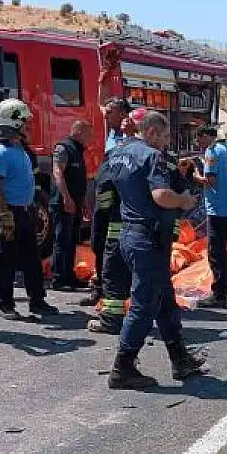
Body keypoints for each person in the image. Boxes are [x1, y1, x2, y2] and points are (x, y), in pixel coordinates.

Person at [107, 111, 205, 389]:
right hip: (148, 239)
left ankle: (179, 357)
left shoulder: (118, 152)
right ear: (151, 132)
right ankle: (123, 366)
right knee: (144, 304)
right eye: (163, 136)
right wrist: (183, 201)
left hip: (131, 234)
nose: (165, 143)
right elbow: (161, 196)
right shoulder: (152, 157)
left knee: (164, 301)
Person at [0, 99, 59, 319]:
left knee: (31, 257)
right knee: (5, 259)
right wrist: (4, 214)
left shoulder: (18, 148)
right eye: (24, 122)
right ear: (13, 124)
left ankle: (37, 300)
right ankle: (5, 304)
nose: (28, 125)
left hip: (25, 210)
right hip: (8, 212)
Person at [88, 108, 147, 333]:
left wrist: (100, 224)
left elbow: (104, 191)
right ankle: (144, 315)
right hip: (147, 228)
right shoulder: (159, 157)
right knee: (145, 274)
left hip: (118, 225)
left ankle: (112, 320)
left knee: (114, 272)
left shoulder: (117, 154)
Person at [193, 125, 227, 307]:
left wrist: (193, 174)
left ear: (206, 136)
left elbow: (209, 180)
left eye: (199, 138)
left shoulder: (211, 152)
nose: (198, 143)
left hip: (217, 208)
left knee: (215, 252)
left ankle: (220, 292)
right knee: (222, 250)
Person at [50, 120, 93, 291]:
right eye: (89, 135)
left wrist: (82, 204)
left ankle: (69, 275)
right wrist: (66, 198)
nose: (91, 139)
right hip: (62, 204)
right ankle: (58, 278)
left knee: (71, 241)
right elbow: (57, 172)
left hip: (74, 204)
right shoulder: (64, 148)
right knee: (62, 241)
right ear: (79, 132)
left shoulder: (77, 151)